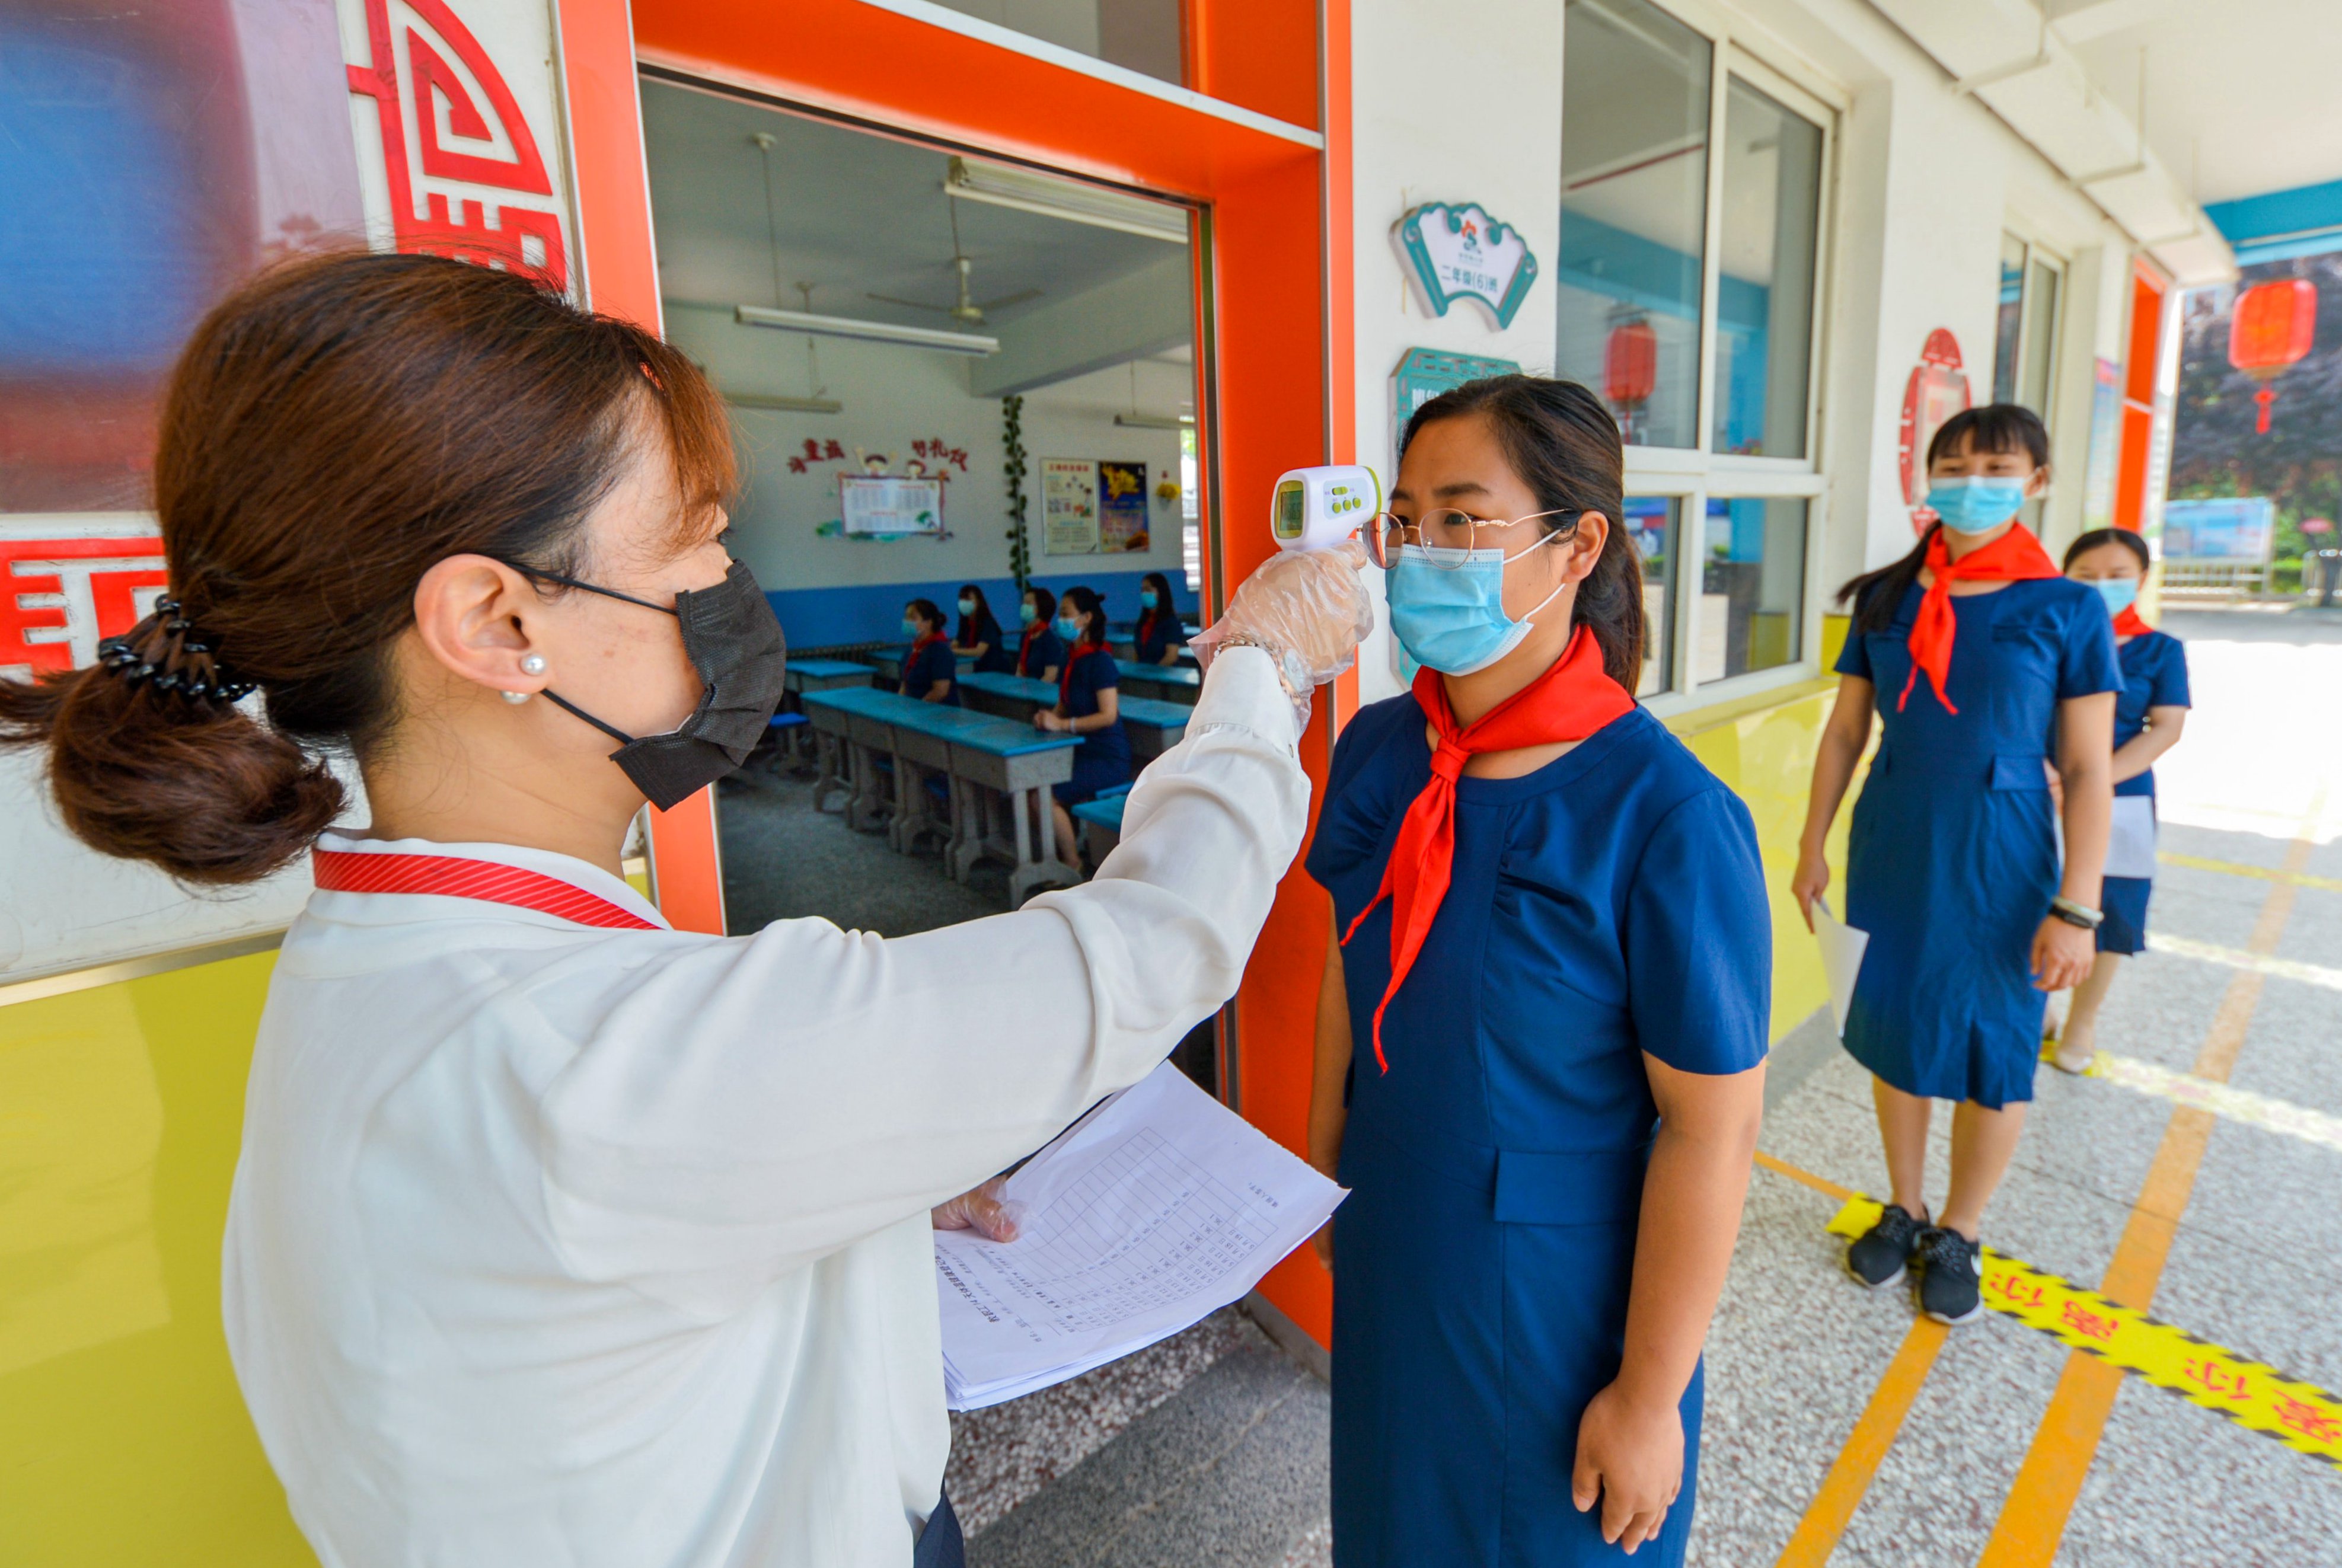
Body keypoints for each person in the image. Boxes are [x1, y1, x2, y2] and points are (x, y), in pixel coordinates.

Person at [0, 251, 1371, 1568]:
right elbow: (1152, 946)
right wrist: (1260, 667)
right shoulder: (595, 1055)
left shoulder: (384, 967)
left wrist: (865, 1171)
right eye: (689, 548)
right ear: (495, 620)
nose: (725, 587)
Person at [1305, 376, 1769, 1567]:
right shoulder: (1379, 746)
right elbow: (1345, 954)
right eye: (1404, 519)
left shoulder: (1663, 814)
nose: (1420, 551)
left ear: (1578, 545)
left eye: (1464, 518)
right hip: (1396, 1238)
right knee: (1390, 1527)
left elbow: (1709, 1125)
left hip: (1563, 1297)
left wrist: (1649, 1393)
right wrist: (1319, 1158)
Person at [1792, 404, 2118, 1326]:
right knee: (1897, 1029)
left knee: (1994, 1045)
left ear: (2036, 481)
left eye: (1996, 464)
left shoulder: (2065, 607)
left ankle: (1962, 1230)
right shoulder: (1886, 598)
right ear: (1925, 475)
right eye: (1953, 462)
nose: (1971, 479)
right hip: (1892, 837)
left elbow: (2090, 768)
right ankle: (1905, 1203)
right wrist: (1811, 843)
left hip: (2004, 853)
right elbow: (1846, 730)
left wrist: (2078, 906)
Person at [2049, 528, 2188, 1073]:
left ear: (2143, 579)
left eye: (2116, 576)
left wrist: (2093, 780)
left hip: (2121, 795)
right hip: (2039, 787)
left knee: (2110, 911)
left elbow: (2166, 728)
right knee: (2032, 897)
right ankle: (2038, 1007)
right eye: (2086, 576)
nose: (2101, 586)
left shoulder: (2160, 650)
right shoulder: (2050, 637)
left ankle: (2082, 1021)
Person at [1033, 585, 1129, 870]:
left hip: (1107, 757)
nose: (1059, 621)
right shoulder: (1072, 659)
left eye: (1066, 614)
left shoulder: (1100, 661)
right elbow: (1064, 705)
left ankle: (1072, 865)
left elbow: (1108, 715)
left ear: (1086, 618)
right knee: (1035, 785)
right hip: (1082, 752)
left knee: (1045, 798)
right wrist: (1047, 718)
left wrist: (1062, 724)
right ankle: (1070, 851)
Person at [899, 598, 959, 704]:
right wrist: (900, 706)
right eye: (906, 617)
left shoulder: (940, 651)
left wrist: (918, 710)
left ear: (928, 622)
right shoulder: (912, 649)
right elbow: (905, 684)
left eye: (913, 618)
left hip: (937, 713)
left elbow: (940, 691)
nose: (907, 622)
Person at [952, 583, 1014, 673]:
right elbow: (956, 643)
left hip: (995, 670)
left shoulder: (988, 623)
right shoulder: (966, 622)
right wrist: (954, 648)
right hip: (980, 668)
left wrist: (955, 651)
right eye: (962, 599)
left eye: (968, 599)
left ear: (979, 601)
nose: (964, 603)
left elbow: (979, 652)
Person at [1134, 570, 1189, 665]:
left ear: (1161, 592)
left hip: (1163, 675)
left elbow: (1171, 656)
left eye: (1148, 590)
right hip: (1143, 673)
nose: (1144, 594)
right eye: (1142, 590)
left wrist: (1154, 674)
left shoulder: (1171, 623)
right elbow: (1137, 652)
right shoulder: (1143, 622)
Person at [1013, 585, 1064, 682]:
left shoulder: (1051, 641)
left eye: (1028, 603)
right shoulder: (1026, 636)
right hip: (1026, 690)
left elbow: (1050, 677)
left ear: (1040, 607)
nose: (1023, 606)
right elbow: (1020, 669)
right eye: (1023, 603)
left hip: (1041, 693)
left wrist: (1032, 694)